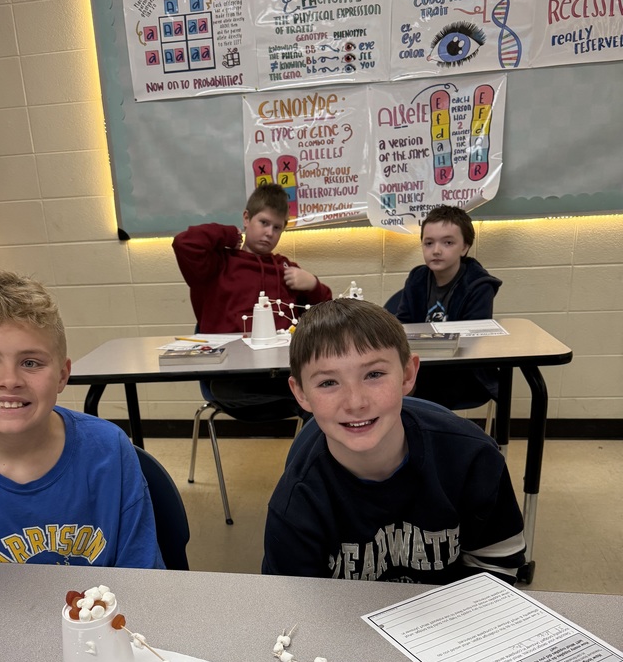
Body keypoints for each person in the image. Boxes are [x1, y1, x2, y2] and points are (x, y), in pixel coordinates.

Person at [0, 269, 164, 568]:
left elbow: (142, 577)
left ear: (62, 375)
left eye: (30, 362)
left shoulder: (109, 450)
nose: (10, 380)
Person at [262, 299, 525, 584]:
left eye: (374, 375)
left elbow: (498, 566)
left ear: (408, 375)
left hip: (449, 617)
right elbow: (292, 600)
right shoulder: (297, 498)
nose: (356, 402)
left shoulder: (473, 458)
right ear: (300, 393)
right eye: (328, 383)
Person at [172, 183, 331, 416]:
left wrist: (314, 285)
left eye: (277, 228)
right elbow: (184, 243)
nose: (269, 233)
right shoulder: (217, 265)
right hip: (233, 376)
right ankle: (301, 401)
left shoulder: (286, 269)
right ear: (247, 218)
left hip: (281, 372)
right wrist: (230, 234)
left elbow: (326, 312)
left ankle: (304, 408)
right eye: (264, 223)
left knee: (320, 388)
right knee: (310, 397)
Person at [391, 205, 501, 408]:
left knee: (408, 393)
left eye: (448, 242)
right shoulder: (417, 278)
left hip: (460, 371)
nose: (436, 250)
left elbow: (471, 339)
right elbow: (403, 324)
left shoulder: (479, 285)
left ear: (465, 247)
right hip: (422, 364)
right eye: (429, 243)